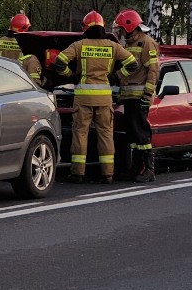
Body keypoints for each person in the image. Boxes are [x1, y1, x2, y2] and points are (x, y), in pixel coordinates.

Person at [54, 10, 138, 184]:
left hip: (83, 98)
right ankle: (108, 173)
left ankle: (78, 173)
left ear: (86, 27)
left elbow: (59, 61)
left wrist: (70, 76)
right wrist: (117, 77)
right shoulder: (112, 46)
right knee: (106, 134)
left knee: (80, 134)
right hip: (104, 99)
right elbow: (132, 64)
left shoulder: (79, 45)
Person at [113, 9, 160, 182]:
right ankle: (136, 168)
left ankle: (149, 170)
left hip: (140, 96)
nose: (120, 32)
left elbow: (153, 71)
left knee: (141, 134)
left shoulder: (146, 43)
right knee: (132, 135)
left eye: (121, 29)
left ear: (130, 27)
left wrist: (147, 95)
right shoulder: (129, 44)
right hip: (129, 96)